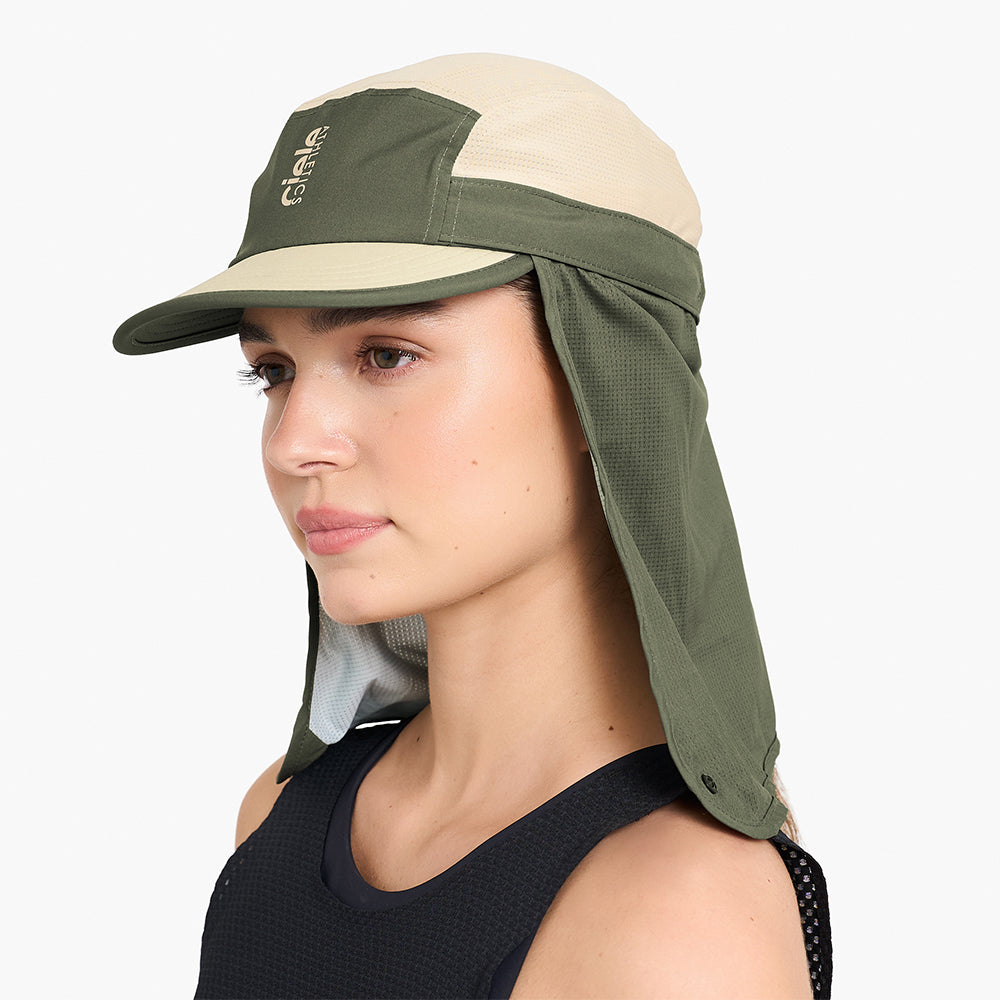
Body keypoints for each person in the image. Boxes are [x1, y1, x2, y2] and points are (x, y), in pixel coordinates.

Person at [115, 53, 832, 999]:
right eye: (274, 371)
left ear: (607, 380)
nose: (293, 444)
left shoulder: (675, 911)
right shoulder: (278, 817)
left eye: (386, 354)